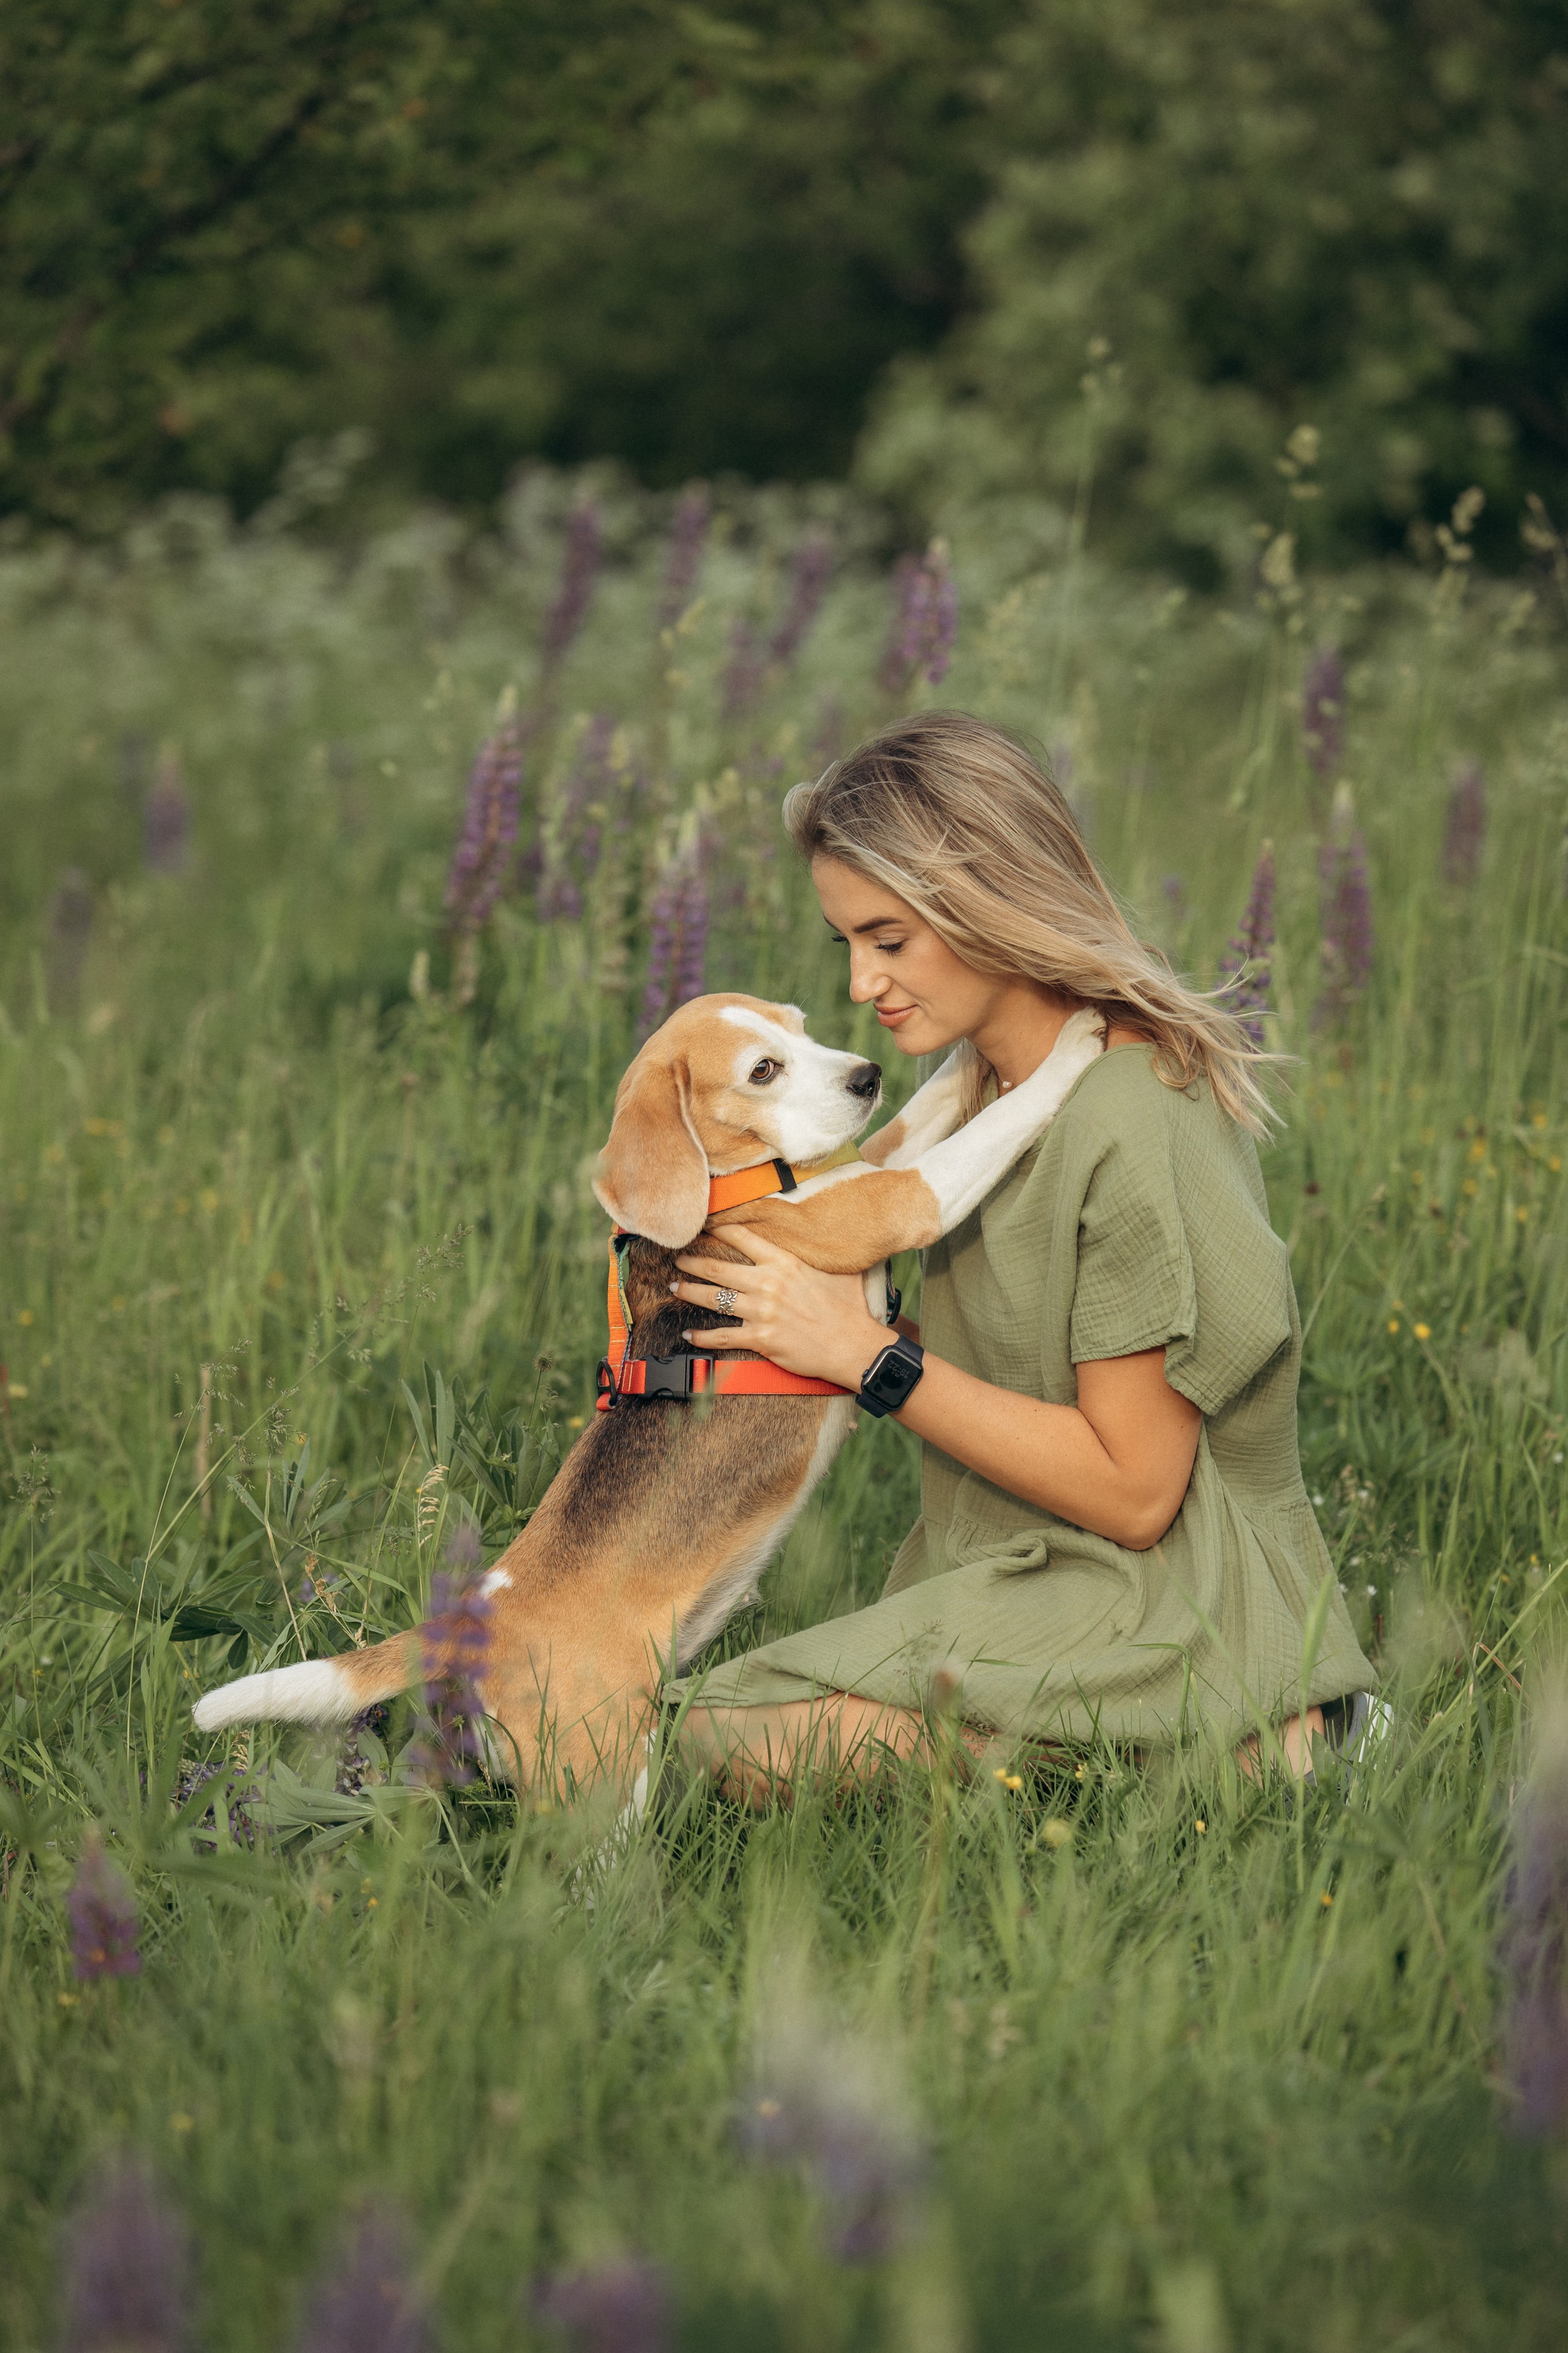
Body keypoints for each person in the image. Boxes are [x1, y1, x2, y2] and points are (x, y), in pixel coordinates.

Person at [665, 711, 1376, 1799]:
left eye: (889, 940)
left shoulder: (1135, 1114)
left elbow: (1139, 1491)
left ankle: (1282, 1729)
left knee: (718, 1751)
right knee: (659, 1728)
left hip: (1164, 1598)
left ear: (989, 900)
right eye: (846, 942)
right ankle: (1195, 1750)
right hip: (1015, 1576)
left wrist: (867, 1358)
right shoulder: (982, 1100)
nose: (862, 984)